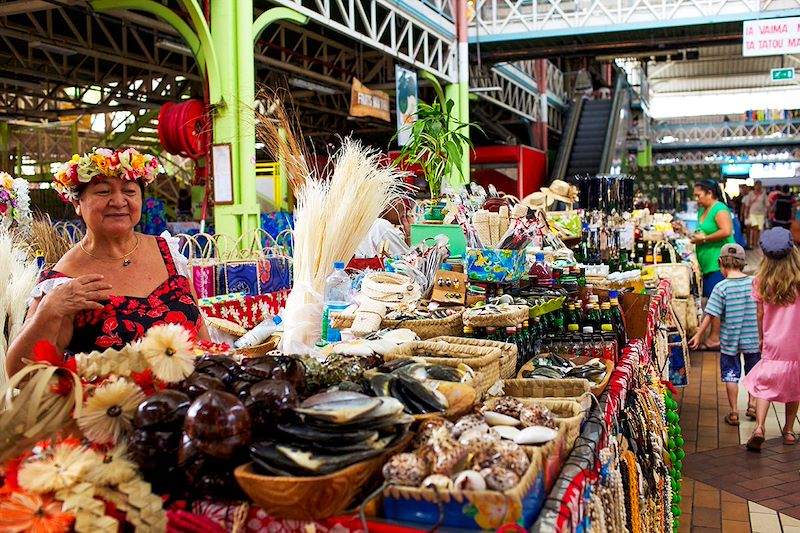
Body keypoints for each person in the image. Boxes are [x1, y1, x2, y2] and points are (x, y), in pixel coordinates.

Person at [6, 147, 210, 377]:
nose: (119, 201)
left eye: (130, 191)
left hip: (194, 392)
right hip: (116, 399)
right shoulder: (63, 281)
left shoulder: (168, 253)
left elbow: (201, 331)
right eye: (103, 192)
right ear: (77, 203)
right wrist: (48, 309)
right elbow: (20, 372)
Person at [742, 227, 800, 451]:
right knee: (795, 384)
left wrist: (760, 337)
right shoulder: (798, 280)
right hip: (795, 342)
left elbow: (760, 314)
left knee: (764, 385)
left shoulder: (761, 280)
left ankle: (759, 427)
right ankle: (789, 430)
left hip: (772, 341)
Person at [688, 243, 759, 425]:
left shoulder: (721, 287)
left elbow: (710, 314)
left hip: (730, 341)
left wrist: (698, 335)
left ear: (720, 262)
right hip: (753, 339)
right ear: (743, 263)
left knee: (731, 375)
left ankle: (734, 412)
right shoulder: (754, 283)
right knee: (753, 372)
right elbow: (762, 310)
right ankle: (752, 405)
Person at [691, 180, 735, 349]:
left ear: (709, 193)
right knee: (712, 298)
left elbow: (726, 231)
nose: (696, 199)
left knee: (715, 300)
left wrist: (703, 240)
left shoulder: (719, 209)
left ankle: (715, 337)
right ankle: (714, 335)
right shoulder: (702, 210)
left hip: (719, 262)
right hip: (708, 263)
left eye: (698, 195)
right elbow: (702, 231)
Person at [742, 181, 768, 249]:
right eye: (757, 185)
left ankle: (756, 243)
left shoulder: (763, 194)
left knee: (759, 229)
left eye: (759, 185)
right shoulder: (751, 193)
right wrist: (746, 213)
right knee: (754, 228)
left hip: (761, 213)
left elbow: (766, 204)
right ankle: (753, 243)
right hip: (752, 213)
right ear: (754, 186)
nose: (758, 187)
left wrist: (767, 213)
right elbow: (747, 204)